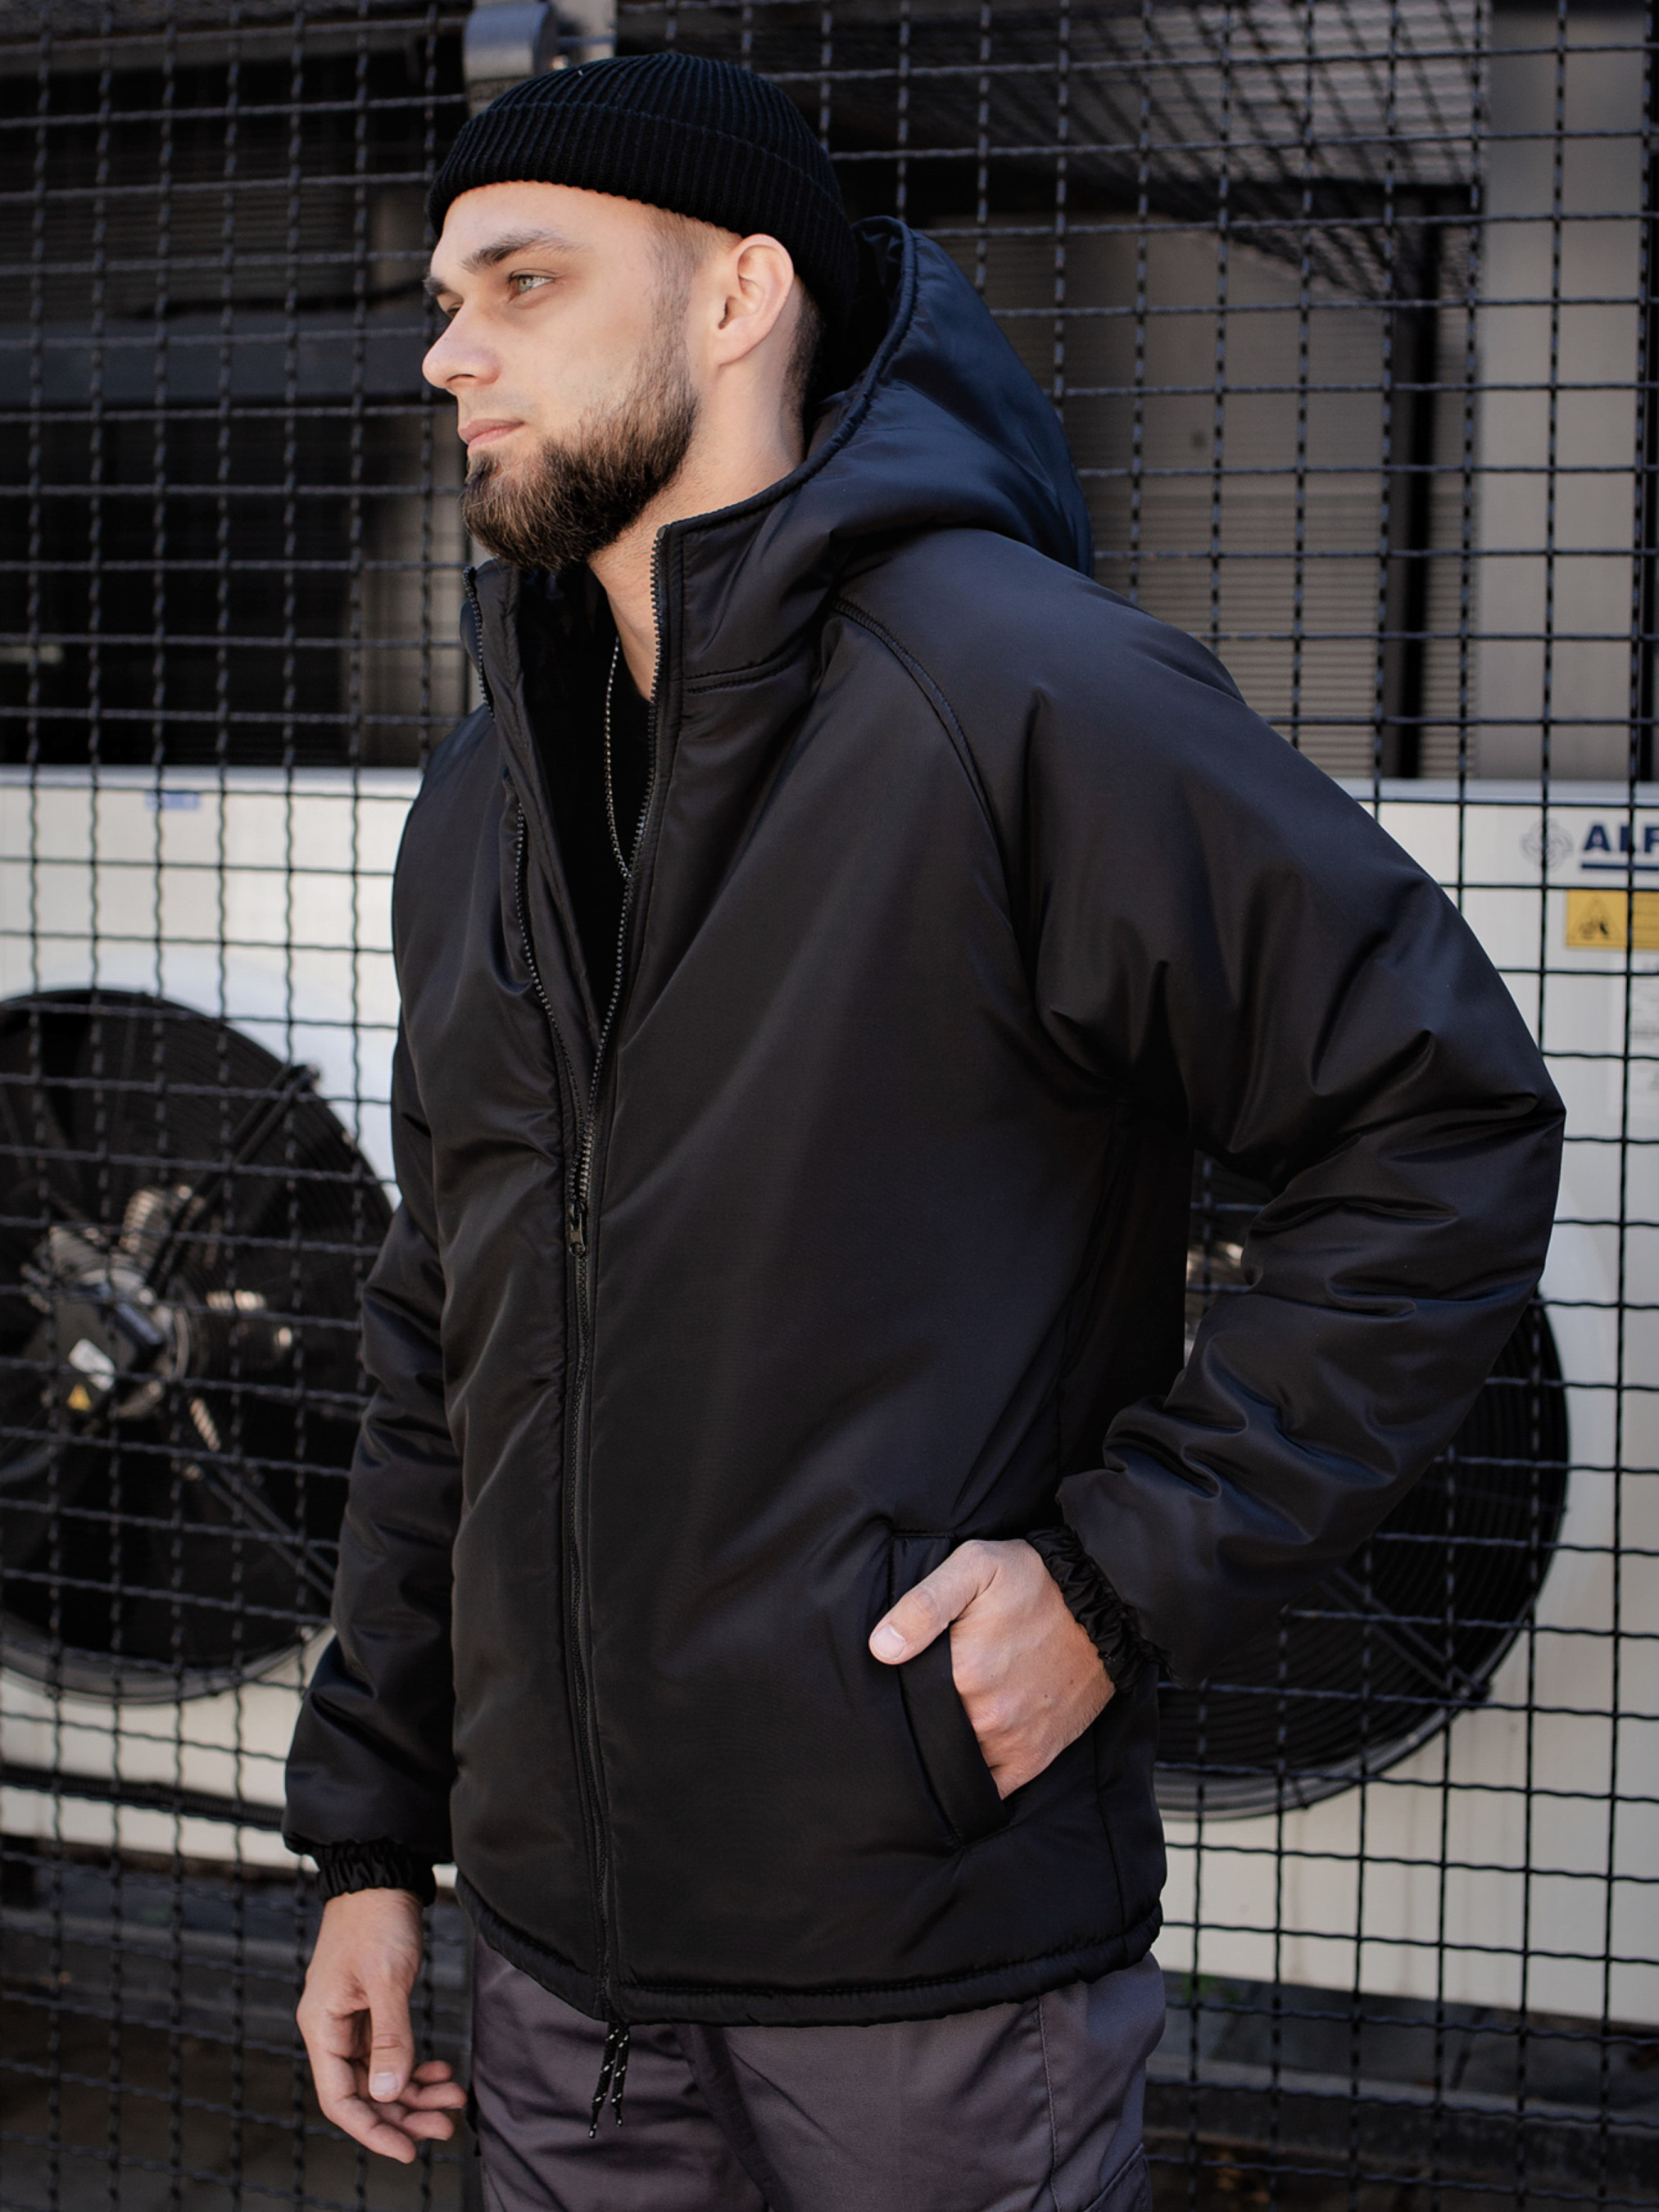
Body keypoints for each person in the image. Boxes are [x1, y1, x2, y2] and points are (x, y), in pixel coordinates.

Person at [284, 49, 1563, 2212]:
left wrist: (1118, 1577)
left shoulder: (1028, 697)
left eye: (524, 280)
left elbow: (1435, 1126)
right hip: (556, 1975)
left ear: (738, 294)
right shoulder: (483, 796)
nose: (448, 352)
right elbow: (450, 1333)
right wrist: (370, 1836)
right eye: (446, 296)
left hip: (925, 1974)